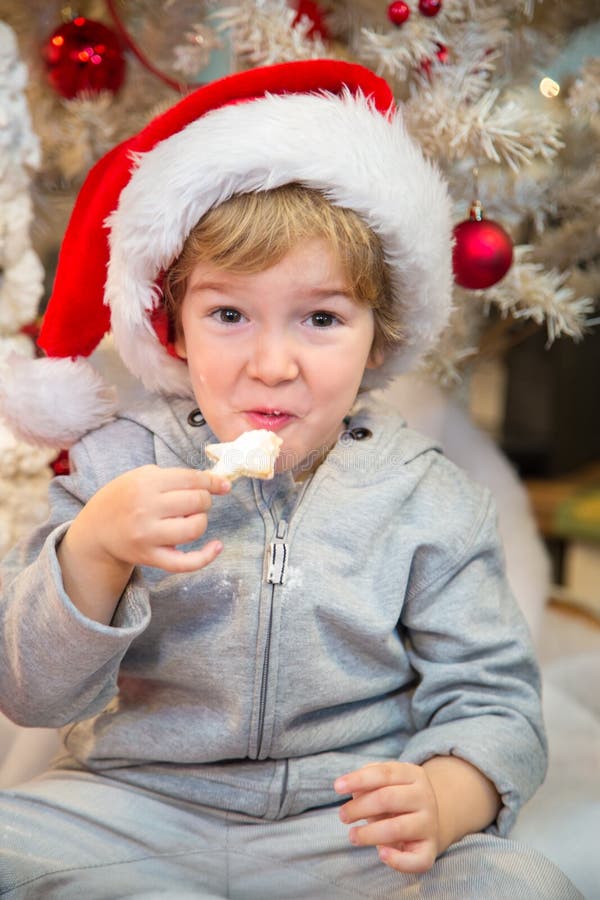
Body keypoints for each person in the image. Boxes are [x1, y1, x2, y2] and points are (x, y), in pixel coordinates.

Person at [0, 60, 581, 899]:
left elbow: (496, 702)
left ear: (380, 336)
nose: (272, 366)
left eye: (320, 318)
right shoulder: (112, 468)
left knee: (519, 883)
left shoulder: (430, 498)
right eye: (229, 315)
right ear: (175, 331)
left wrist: (450, 794)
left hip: (346, 825)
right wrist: (92, 552)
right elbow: (30, 694)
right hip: (133, 807)